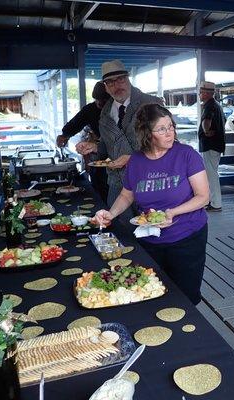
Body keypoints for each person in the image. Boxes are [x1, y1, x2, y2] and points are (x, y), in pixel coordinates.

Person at [94, 104, 210, 305]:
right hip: (149, 240)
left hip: (186, 238)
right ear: (147, 133)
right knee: (151, 293)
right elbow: (126, 195)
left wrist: (173, 212)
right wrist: (111, 214)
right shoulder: (136, 161)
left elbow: (203, 197)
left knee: (186, 297)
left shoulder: (186, 154)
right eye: (162, 129)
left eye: (171, 126)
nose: (170, 133)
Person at [76, 60, 162, 222]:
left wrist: (133, 158)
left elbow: (167, 144)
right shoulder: (105, 112)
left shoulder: (151, 103)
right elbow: (107, 146)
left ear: (128, 79)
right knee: (122, 232)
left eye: (120, 79)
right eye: (110, 82)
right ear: (106, 87)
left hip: (150, 180)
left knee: (154, 228)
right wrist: (93, 146)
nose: (116, 86)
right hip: (117, 183)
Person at [57, 81, 110, 203]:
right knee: (97, 182)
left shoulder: (118, 109)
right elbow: (76, 123)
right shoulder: (90, 109)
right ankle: (100, 206)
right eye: (97, 99)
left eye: (104, 99)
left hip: (118, 151)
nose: (100, 103)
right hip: (99, 152)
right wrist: (65, 135)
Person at [198, 81, 226, 212]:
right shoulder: (217, 106)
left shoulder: (209, 105)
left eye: (201, 92)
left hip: (210, 144)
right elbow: (224, 121)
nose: (199, 95)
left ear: (207, 93)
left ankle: (215, 203)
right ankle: (211, 201)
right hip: (217, 144)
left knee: (211, 175)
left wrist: (206, 131)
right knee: (211, 173)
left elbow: (206, 121)